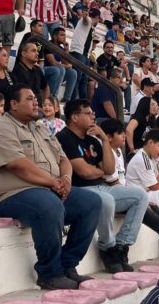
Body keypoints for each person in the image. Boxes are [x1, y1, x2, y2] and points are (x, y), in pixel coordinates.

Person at [0, 85, 102, 290]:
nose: (36, 102)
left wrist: (66, 180)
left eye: (35, 98)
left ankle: (66, 265)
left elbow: (64, 159)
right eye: (29, 99)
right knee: (49, 205)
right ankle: (49, 273)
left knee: (91, 202)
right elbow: (19, 166)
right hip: (6, 196)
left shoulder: (40, 128)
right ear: (14, 105)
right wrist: (54, 183)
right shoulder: (1, 128)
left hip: (45, 189)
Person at [57, 100, 150, 273]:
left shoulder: (93, 139)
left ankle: (121, 245)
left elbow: (109, 169)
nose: (93, 116)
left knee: (140, 196)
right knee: (106, 200)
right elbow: (84, 172)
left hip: (100, 187)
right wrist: (99, 170)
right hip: (80, 190)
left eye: (93, 113)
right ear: (75, 117)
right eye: (88, 113)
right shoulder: (64, 137)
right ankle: (108, 247)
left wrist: (105, 142)